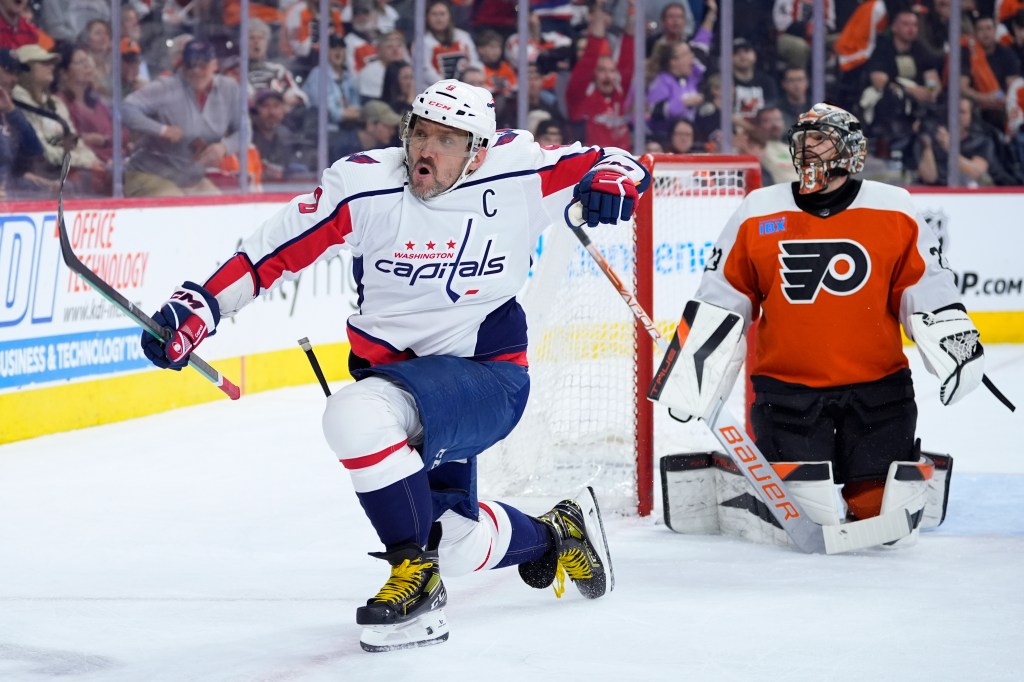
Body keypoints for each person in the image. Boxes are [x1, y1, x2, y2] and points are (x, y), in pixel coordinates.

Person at [139, 78, 650, 652]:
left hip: (486, 378)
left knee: (354, 418)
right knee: (456, 542)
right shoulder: (363, 185)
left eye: (446, 140)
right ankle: (558, 537)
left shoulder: (521, 172)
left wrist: (613, 179)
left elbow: (619, 160)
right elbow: (266, 255)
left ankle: (416, 581)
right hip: (399, 380)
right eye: (419, 133)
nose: (425, 151)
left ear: (478, 151)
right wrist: (199, 308)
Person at [652, 102, 983, 536]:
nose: (806, 149)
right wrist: (689, 374)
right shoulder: (758, 211)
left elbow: (927, 288)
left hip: (879, 393)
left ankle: (897, 480)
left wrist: (957, 349)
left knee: (882, 520)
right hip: (788, 395)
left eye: (820, 139)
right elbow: (722, 298)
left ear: (850, 150)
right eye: (801, 139)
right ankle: (750, 484)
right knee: (807, 518)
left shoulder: (894, 208)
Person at [121, 39, 242, 197]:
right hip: (148, 175)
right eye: (190, 65)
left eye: (202, 65)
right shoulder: (166, 87)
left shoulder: (229, 89)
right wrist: (161, 130)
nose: (196, 71)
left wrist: (224, 147)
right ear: (182, 65)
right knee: (176, 204)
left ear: (215, 65)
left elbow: (243, 130)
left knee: (220, 209)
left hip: (190, 180)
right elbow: (125, 109)